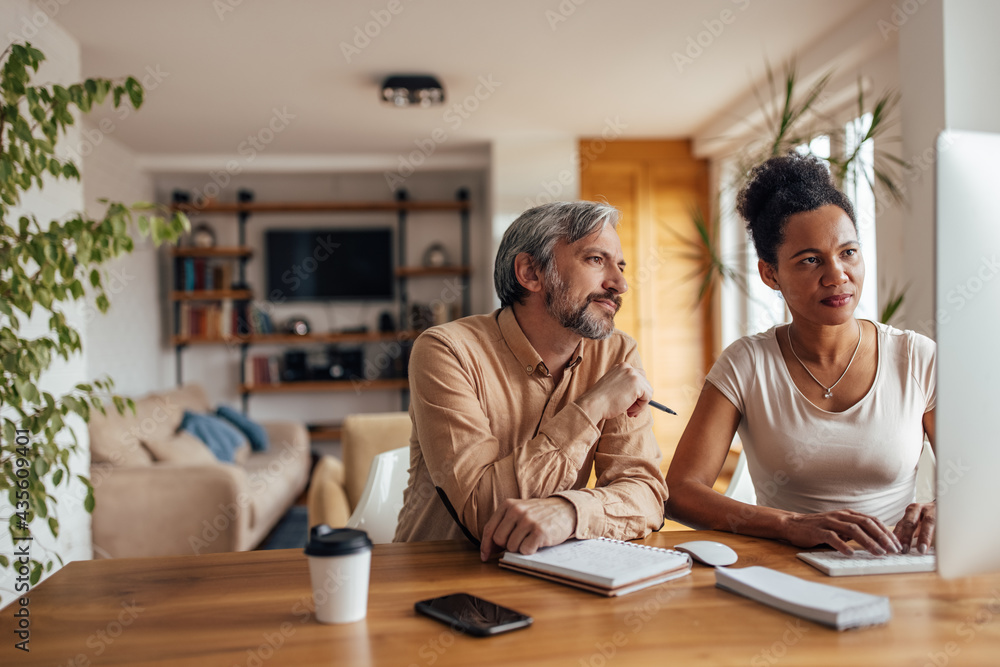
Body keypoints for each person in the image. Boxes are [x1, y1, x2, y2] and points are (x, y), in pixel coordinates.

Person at [665, 153, 936, 556]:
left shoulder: (915, 357)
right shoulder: (747, 364)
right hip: (787, 572)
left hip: (896, 568)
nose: (837, 276)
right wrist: (790, 525)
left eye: (848, 252)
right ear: (770, 274)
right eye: (811, 260)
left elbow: (979, 476)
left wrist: (941, 508)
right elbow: (681, 492)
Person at [394, 201, 669, 560]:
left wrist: (571, 512)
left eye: (620, 266)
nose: (620, 284)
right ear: (530, 273)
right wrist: (595, 405)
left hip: (556, 573)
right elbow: (484, 513)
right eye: (596, 260)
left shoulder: (617, 355)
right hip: (440, 577)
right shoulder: (445, 351)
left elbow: (646, 494)